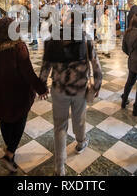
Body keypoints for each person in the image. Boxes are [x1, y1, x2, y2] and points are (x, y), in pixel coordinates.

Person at [40, 12, 102, 176]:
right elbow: (96, 65)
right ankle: (81, 142)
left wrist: (41, 86)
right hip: (79, 89)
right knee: (79, 118)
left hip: (59, 90)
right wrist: (97, 85)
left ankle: (59, 168)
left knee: (59, 126)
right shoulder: (86, 38)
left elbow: (45, 66)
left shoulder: (52, 39)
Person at [0, 17, 47, 172]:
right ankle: (9, 154)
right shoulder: (18, 47)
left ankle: (10, 154)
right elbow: (28, 72)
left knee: (5, 119)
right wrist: (41, 88)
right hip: (17, 92)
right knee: (20, 119)